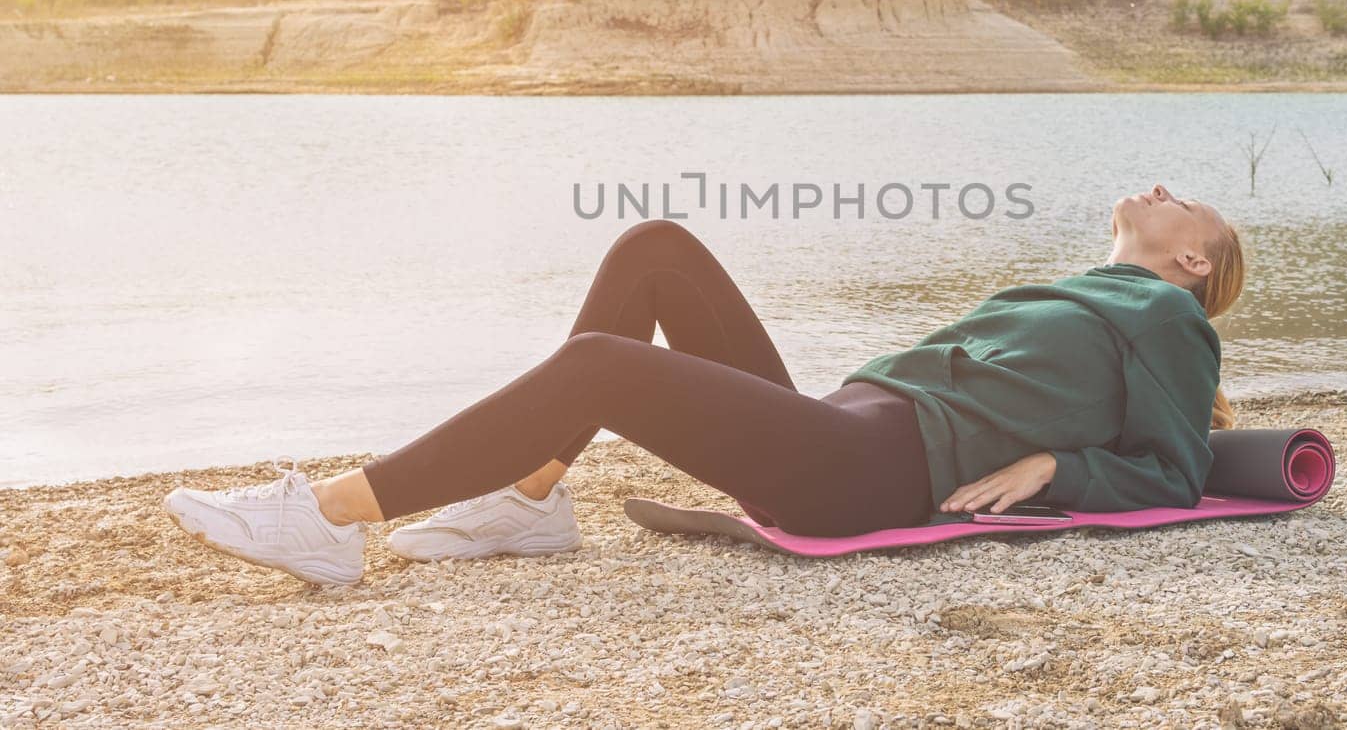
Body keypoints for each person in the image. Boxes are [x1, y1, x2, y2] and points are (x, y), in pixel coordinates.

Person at [164, 183, 1244, 586]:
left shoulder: (1169, 316)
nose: (1158, 189)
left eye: (1182, 201)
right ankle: (526, 499)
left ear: (1192, 260)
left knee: (599, 368)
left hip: (871, 470)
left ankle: (326, 517)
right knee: (655, 244)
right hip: (837, 427)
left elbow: (1175, 466)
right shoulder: (1079, 292)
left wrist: (1057, 463)